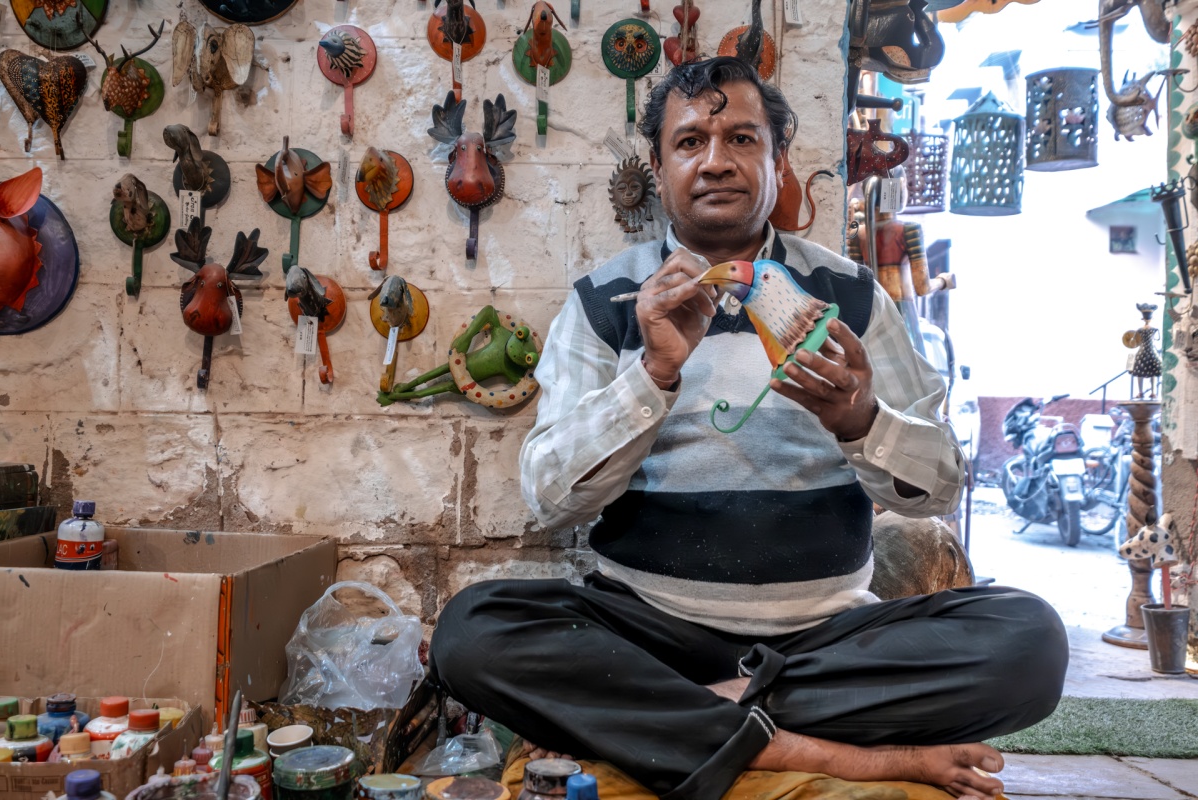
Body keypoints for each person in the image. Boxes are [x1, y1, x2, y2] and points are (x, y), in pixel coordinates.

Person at [429, 57, 1068, 800]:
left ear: (779, 162)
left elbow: (939, 490)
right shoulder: (607, 302)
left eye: (741, 139)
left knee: (1030, 642)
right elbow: (551, 498)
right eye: (690, 142)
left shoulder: (851, 297)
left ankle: (689, 718)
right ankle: (841, 753)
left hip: (822, 638)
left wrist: (861, 422)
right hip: (646, 634)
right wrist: (652, 379)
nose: (716, 162)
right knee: (470, 634)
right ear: (660, 169)